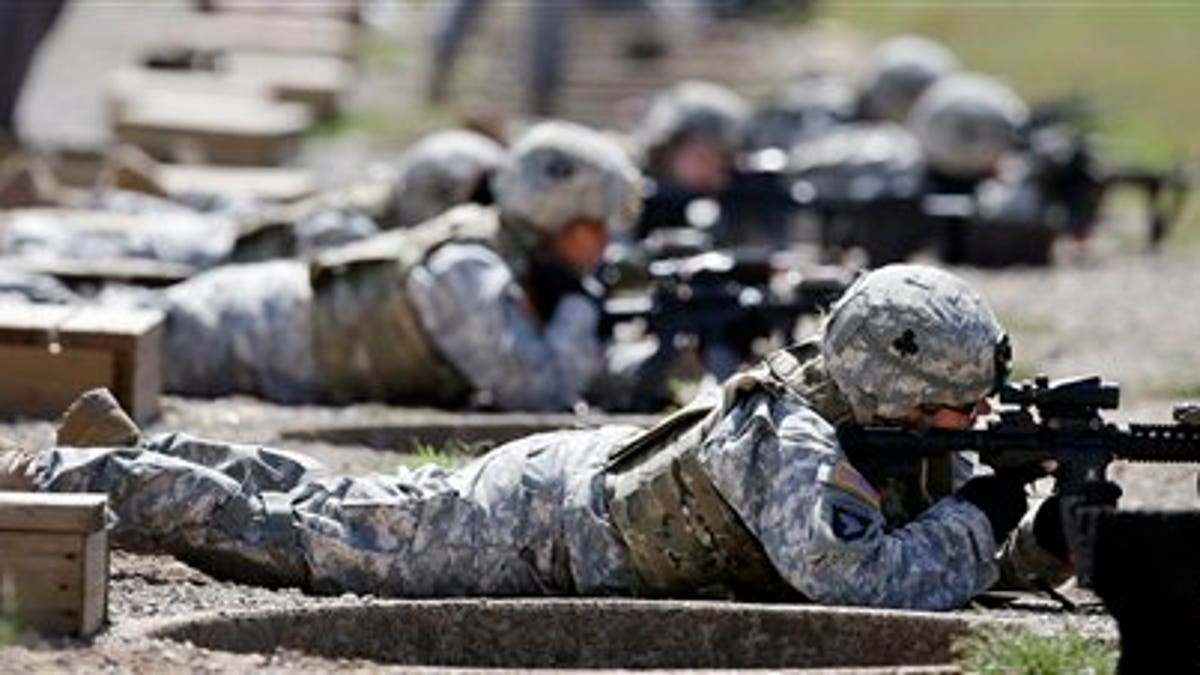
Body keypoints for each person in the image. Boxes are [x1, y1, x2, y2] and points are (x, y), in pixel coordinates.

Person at [0, 264, 1070, 609]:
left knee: (323, 499)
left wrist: (1036, 537)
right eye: (949, 410)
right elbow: (859, 581)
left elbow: (933, 548)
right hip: (534, 528)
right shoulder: (784, 436)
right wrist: (986, 513)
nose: (963, 430)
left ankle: (122, 450)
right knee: (296, 539)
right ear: (887, 385)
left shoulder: (880, 428)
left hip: (572, 489)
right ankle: (61, 477)